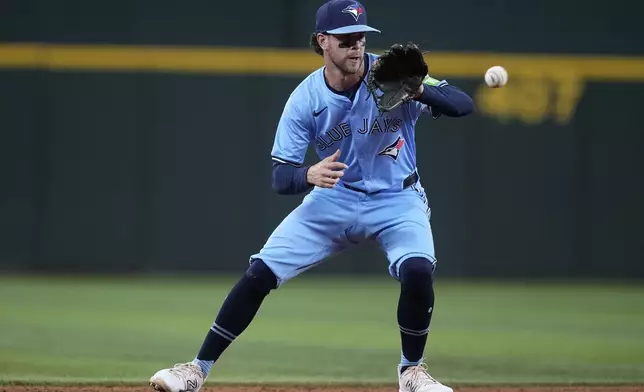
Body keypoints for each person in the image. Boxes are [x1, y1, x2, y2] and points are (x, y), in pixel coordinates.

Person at [149, 1, 473, 391]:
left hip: (397, 199)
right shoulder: (305, 99)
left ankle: (412, 373)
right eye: (345, 39)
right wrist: (308, 174)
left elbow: (462, 104)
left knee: (418, 271)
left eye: (361, 38)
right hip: (333, 199)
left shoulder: (393, 73)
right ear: (323, 42)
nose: (356, 46)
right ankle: (195, 371)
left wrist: (419, 90)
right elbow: (281, 177)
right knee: (259, 274)